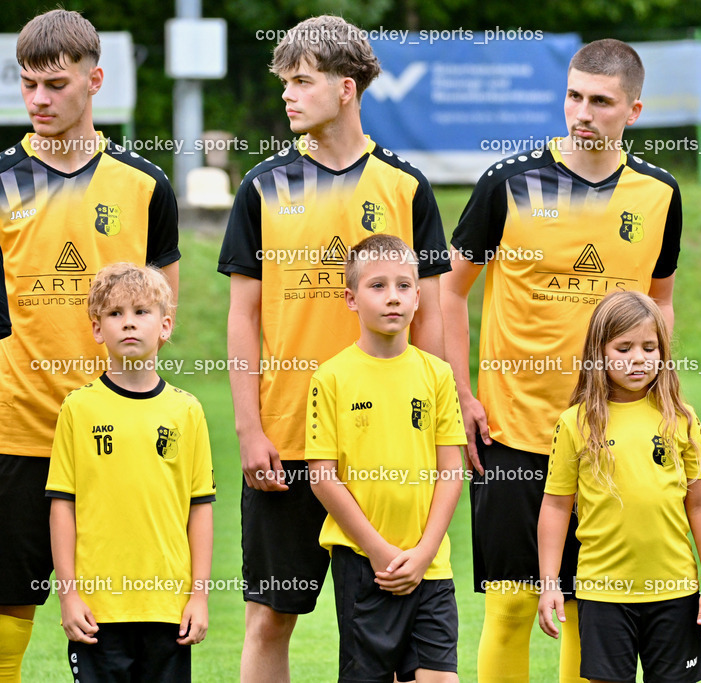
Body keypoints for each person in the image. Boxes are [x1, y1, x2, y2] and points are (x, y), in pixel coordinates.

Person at [217, 15, 450, 681]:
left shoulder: (406, 187)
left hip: (387, 450)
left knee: (400, 625)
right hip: (286, 443)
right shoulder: (262, 186)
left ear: (346, 89)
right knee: (269, 615)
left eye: (302, 81)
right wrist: (249, 427)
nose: (287, 95)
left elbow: (430, 318)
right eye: (284, 82)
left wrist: (436, 429)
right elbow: (243, 315)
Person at [440, 38, 682, 682]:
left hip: (610, 432)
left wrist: (659, 400)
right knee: (514, 602)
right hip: (514, 431)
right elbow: (449, 291)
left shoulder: (659, 194)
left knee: (590, 607)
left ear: (632, 109)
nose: (582, 112)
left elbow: (661, 307)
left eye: (600, 101)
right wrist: (461, 393)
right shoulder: (508, 182)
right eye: (574, 96)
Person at [0, 11, 179, 681]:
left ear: (94, 80)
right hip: (17, 430)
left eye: (55, 83)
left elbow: (164, 312)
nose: (40, 100)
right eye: (27, 85)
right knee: (8, 612)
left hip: (118, 433)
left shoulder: (145, 184)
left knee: (120, 620)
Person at [537, 291, 701, 683]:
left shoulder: (682, 420)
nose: (638, 358)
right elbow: (556, 507)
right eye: (623, 348)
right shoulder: (576, 423)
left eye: (649, 347)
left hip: (675, 591)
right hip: (603, 593)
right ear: (598, 353)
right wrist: (550, 584)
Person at [306, 235, 465, 682]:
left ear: (418, 295)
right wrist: (379, 552)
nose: (393, 297)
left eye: (404, 285)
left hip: (430, 562)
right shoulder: (332, 377)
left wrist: (426, 551)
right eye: (377, 286)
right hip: (364, 565)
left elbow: (452, 470)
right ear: (350, 299)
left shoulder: (437, 374)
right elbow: (322, 477)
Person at [46, 263, 215, 682]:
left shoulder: (187, 410)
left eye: (141, 312)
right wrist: (68, 595)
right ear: (98, 329)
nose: (129, 324)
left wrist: (199, 595)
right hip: (99, 610)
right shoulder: (78, 409)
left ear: (165, 325)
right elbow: (62, 506)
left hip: (168, 610)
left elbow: (200, 508)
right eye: (116, 314)